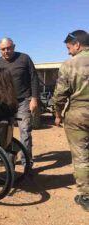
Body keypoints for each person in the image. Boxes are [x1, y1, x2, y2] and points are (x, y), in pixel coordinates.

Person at [52, 30, 89, 212]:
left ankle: (86, 197)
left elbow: (60, 94)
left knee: (81, 156)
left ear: (77, 45)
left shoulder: (69, 65)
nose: (68, 52)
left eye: (69, 48)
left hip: (78, 114)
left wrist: (57, 113)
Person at [0, 38, 39, 167]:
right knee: (5, 132)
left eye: (9, 48)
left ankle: (26, 162)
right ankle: (8, 160)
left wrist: (34, 98)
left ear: (14, 46)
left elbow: (34, 78)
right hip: (5, 102)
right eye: (3, 49)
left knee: (25, 131)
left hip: (23, 100)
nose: (6, 51)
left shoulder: (24, 58)